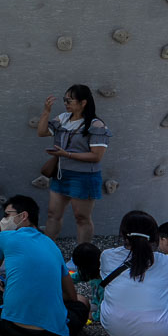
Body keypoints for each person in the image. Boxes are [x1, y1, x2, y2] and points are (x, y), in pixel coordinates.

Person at [0, 195, 90, 336]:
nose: (3, 220)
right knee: (82, 300)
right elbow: (71, 296)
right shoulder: (52, 245)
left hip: (11, 328)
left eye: (7, 215)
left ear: (23, 216)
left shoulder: (4, 237)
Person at [37, 84, 110, 244]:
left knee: (82, 218)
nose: (66, 103)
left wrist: (67, 154)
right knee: (52, 214)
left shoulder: (96, 125)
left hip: (84, 177)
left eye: (69, 100)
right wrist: (46, 112)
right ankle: (48, 250)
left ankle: (82, 256)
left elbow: (96, 156)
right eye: (64, 100)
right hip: (61, 173)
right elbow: (42, 132)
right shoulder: (63, 118)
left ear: (83, 102)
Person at [69, 242, 105, 322]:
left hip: (104, 308)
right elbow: (76, 277)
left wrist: (92, 316)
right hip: (97, 303)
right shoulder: (94, 271)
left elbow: (103, 307)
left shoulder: (103, 284)